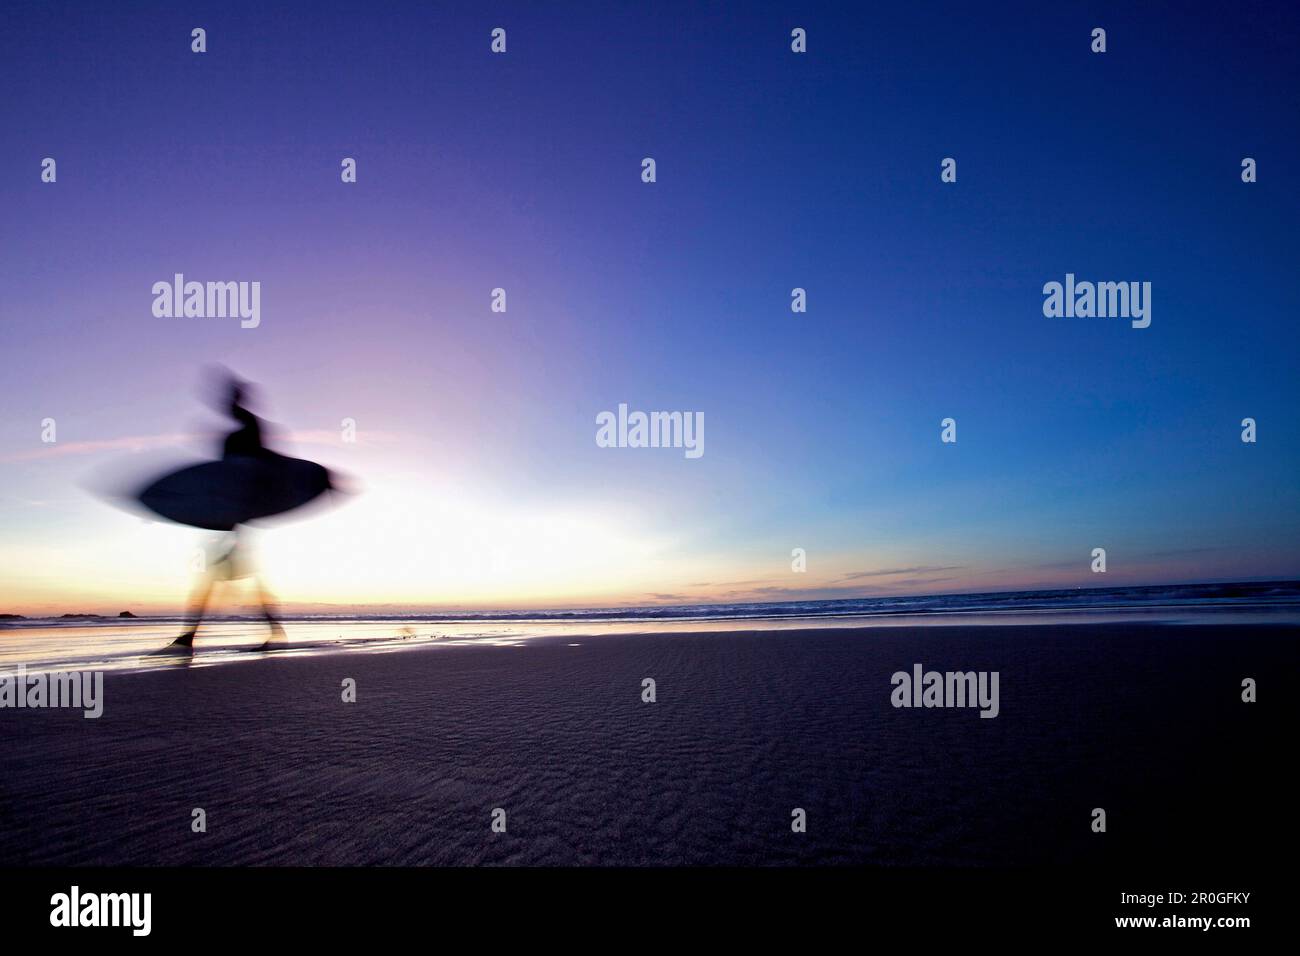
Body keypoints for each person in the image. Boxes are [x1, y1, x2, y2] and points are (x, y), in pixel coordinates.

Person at [170, 375, 286, 648]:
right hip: (227, 521)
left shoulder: (248, 432)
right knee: (238, 577)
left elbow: (259, 470)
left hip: (238, 520)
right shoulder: (234, 437)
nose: (228, 406)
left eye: (232, 399)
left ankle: (189, 636)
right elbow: (221, 483)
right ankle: (274, 627)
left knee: (213, 578)